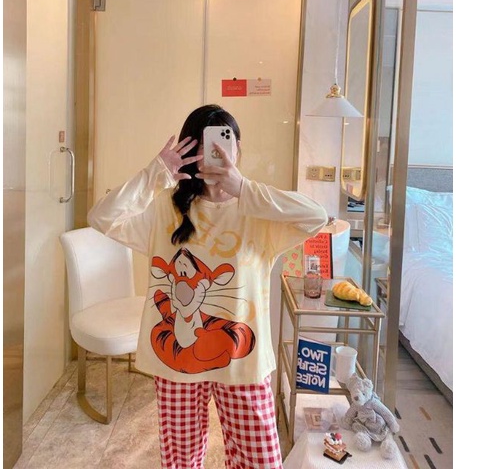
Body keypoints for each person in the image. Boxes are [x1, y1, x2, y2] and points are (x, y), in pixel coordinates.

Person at [87, 104, 328, 469]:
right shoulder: (164, 210)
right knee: (181, 462)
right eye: (204, 146)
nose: (214, 153)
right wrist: (156, 173)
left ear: (237, 149)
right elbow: (101, 217)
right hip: (177, 363)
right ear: (189, 151)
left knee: (261, 461)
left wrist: (242, 188)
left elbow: (317, 217)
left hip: (242, 361)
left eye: (223, 143)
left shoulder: (257, 210)